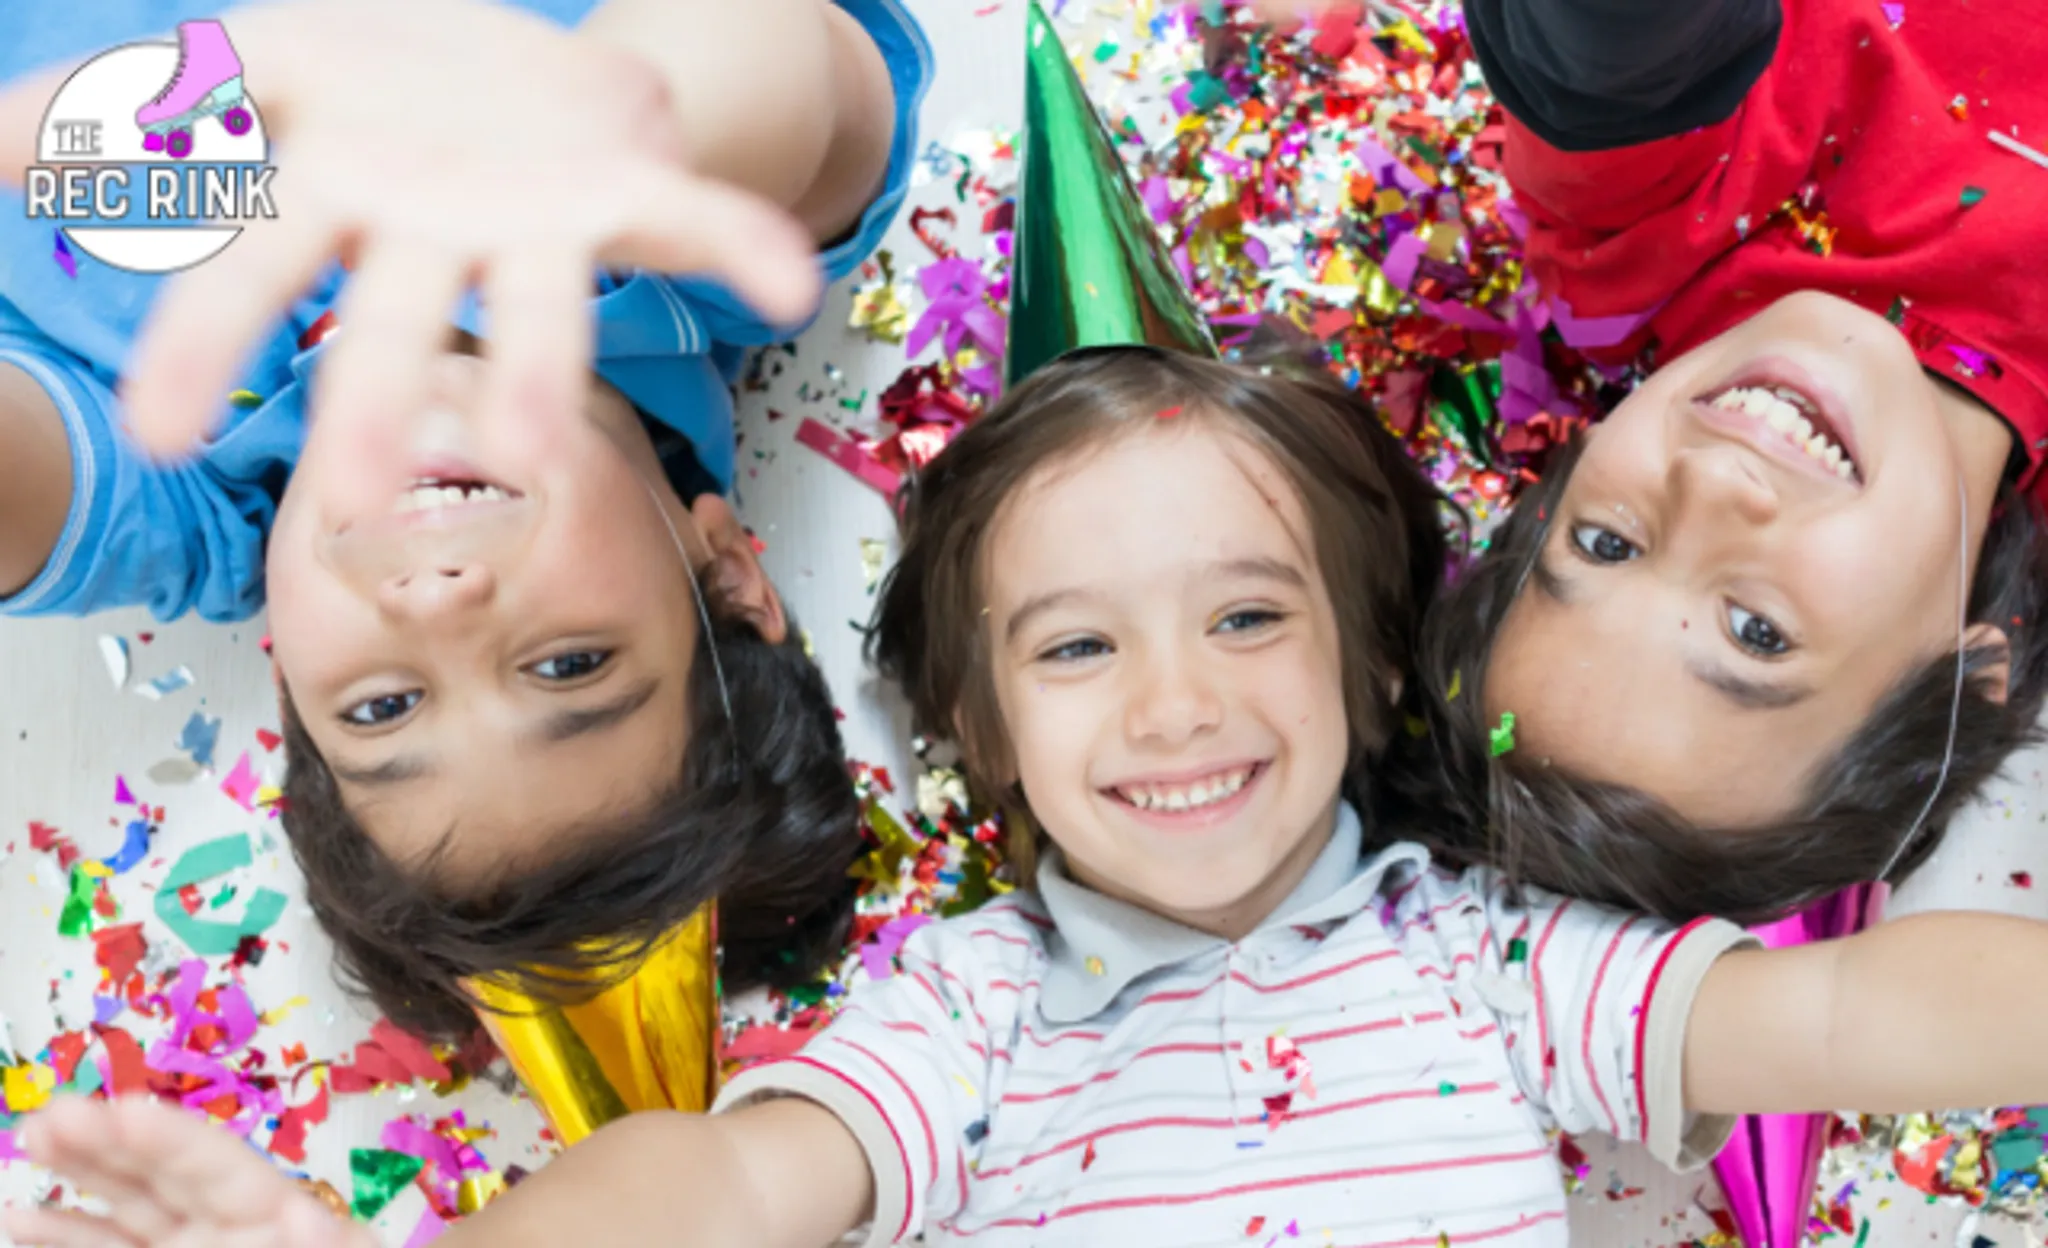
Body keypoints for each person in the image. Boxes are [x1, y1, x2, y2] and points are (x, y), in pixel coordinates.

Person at [19, 345, 2048, 1248]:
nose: (1171, 703)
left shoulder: (1491, 971)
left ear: (1356, 673)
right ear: (987, 735)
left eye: (1243, 621)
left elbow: (1851, 1014)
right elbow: (718, 1187)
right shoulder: (969, 1018)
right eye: (1074, 648)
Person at [0, 0, 933, 1034]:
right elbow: (772, 63)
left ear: (292, 681)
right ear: (724, 575)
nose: (441, 606)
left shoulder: (180, 488)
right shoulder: (697, 256)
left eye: (382, 709)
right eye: (571, 665)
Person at [1263, 0, 2048, 921]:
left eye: (1605, 545)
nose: (1709, 485)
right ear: (1968, 684)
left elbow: (1613, 48)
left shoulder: (1642, 228)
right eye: (1756, 632)